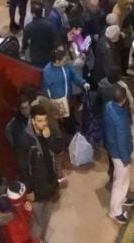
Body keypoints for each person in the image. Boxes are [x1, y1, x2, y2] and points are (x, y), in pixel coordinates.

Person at [15, 104, 59, 240]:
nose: (43, 123)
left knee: (46, 218)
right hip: (36, 190)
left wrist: (49, 138)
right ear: (32, 120)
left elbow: (58, 149)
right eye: (40, 121)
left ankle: (42, 239)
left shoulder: (47, 132)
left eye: (45, 120)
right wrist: (29, 190)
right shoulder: (24, 140)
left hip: (49, 184)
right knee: (36, 223)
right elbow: (22, 168)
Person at [103, 84, 134, 223]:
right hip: (120, 154)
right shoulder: (121, 119)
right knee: (119, 182)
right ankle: (115, 211)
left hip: (112, 148)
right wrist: (126, 158)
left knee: (122, 178)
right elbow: (122, 141)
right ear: (123, 100)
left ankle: (123, 199)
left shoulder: (108, 107)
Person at [41, 47, 89, 120]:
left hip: (68, 98)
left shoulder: (66, 65)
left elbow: (74, 75)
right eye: (63, 60)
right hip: (57, 103)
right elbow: (45, 88)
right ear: (57, 61)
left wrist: (83, 83)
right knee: (61, 121)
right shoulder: (47, 72)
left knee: (70, 117)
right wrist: (50, 102)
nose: (66, 61)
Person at [22, 2, 56, 68]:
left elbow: (24, 43)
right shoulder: (49, 25)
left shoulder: (28, 27)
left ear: (33, 14)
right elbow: (52, 41)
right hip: (47, 54)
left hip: (35, 55)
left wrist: (23, 50)